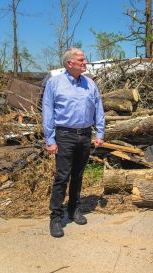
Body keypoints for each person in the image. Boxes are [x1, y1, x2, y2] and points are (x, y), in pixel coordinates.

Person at [42, 48, 105, 238]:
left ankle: (73, 209)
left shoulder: (90, 84)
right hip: (64, 135)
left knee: (78, 175)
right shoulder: (55, 83)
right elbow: (48, 111)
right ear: (70, 63)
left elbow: (98, 109)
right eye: (81, 60)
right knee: (62, 177)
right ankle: (55, 217)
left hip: (85, 135)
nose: (85, 62)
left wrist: (99, 133)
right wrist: (50, 139)